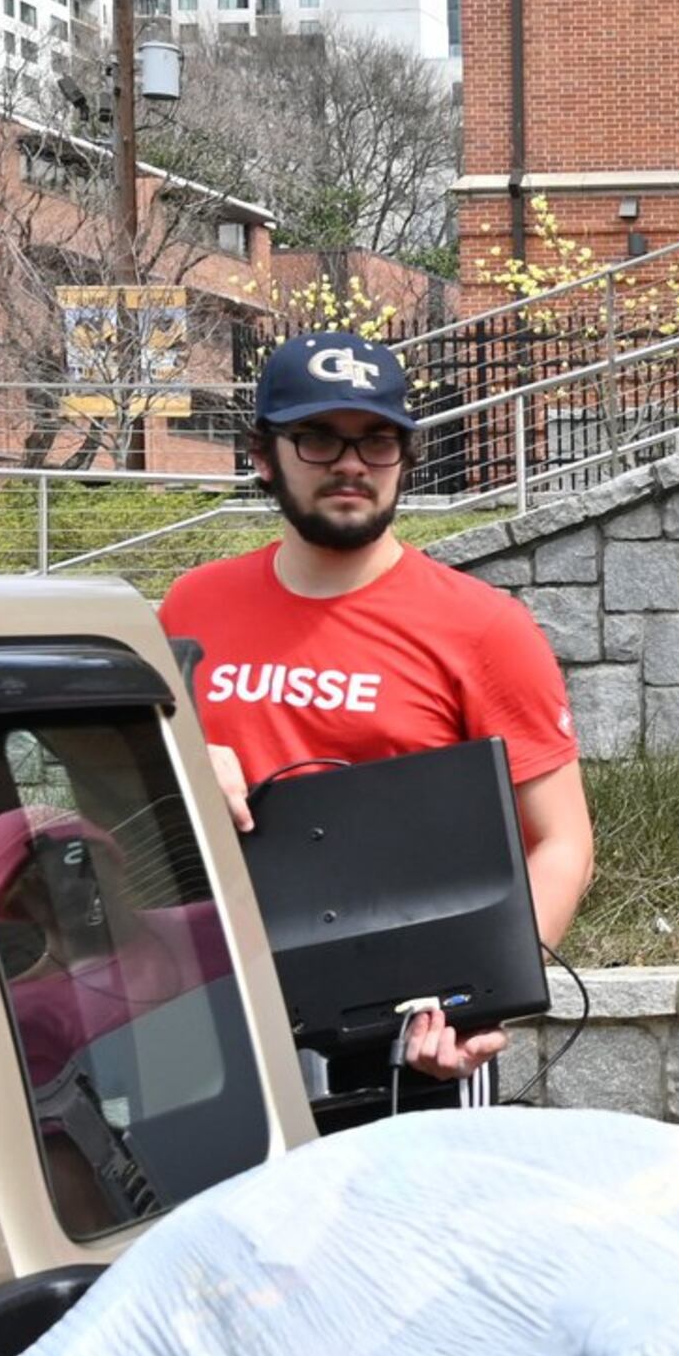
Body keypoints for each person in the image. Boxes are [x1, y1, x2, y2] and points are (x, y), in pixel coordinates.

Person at [163, 330, 594, 1087]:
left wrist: (480, 1002)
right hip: (217, 1025)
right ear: (263, 455)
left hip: (405, 1042)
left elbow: (561, 842)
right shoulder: (191, 606)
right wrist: (179, 770)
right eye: (319, 439)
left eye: (377, 440)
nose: (352, 463)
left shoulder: (483, 627)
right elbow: (134, 817)